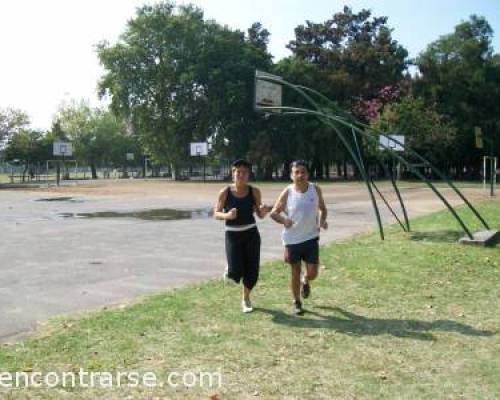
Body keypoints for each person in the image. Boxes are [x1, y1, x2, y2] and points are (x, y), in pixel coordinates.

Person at [270, 160, 328, 315]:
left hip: (311, 238)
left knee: (313, 273)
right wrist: (284, 220)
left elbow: (323, 209)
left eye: (303, 172)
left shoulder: (315, 189)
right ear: (291, 175)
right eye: (297, 172)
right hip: (292, 240)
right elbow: (273, 213)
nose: (300, 175)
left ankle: (306, 279)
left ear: (308, 174)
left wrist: (322, 221)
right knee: (295, 271)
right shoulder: (288, 192)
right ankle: (297, 302)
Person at [214, 159, 271, 313]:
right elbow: (216, 213)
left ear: (248, 175)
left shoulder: (254, 191)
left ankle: (245, 299)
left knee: (252, 272)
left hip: (251, 234)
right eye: (237, 171)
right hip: (232, 235)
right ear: (233, 174)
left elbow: (259, 214)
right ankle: (230, 270)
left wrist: (263, 210)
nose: (240, 174)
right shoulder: (225, 192)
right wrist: (227, 215)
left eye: (244, 172)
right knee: (235, 273)